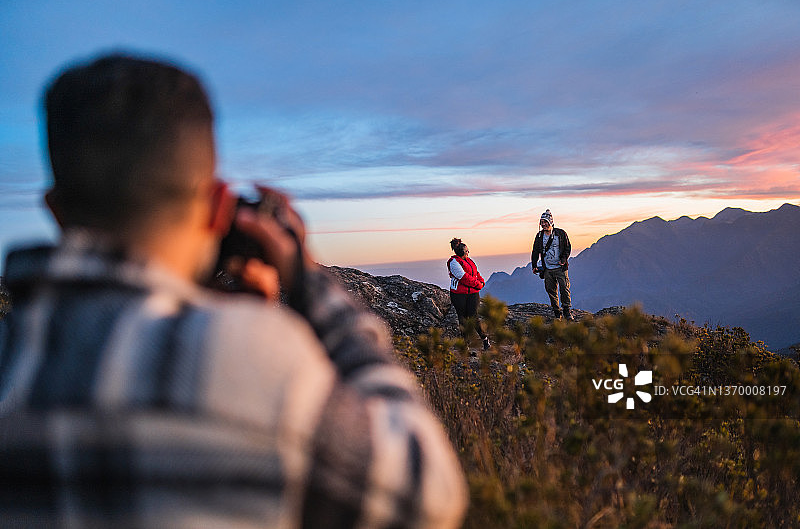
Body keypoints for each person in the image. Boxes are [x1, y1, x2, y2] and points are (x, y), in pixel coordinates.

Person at [0, 53, 467, 528]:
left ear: (54, 209)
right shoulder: (254, 358)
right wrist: (306, 280)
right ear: (220, 204)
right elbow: (431, 495)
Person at [447, 238, 489, 351]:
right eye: (466, 251)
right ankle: (465, 344)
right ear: (462, 252)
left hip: (472, 294)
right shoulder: (453, 262)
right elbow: (464, 278)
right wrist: (478, 285)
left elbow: (475, 272)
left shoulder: (469, 261)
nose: (468, 252)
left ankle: (485, 339)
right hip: (459, 294)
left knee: (473, 316)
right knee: (463, 318)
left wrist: (481, 281)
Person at [531, 209, 573, 321]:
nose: (544, 224)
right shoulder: (539, 236)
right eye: (542, 222)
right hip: (547, 269)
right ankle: (556, 312)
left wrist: (563, 260)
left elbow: (567, 248)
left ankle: (567, 311)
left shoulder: (561, 233)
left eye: (545, 222)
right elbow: (535, 251)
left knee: (564, 289)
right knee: (551, 290)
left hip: (560, 268)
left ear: (551, 222)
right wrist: (534, 265)